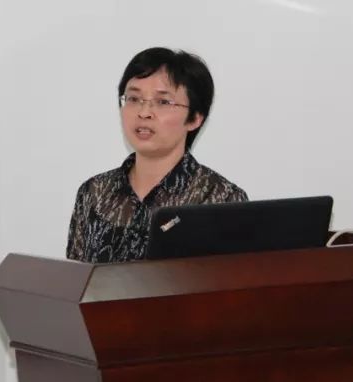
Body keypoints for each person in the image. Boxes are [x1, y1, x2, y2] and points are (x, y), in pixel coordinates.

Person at [66, 47, 248, 263]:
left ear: (195, 118)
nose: (144, 112)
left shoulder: (222, 199)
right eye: (134, 98)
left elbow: (230, 281)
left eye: (163, 102)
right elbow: (75, 279)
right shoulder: (95, 192)